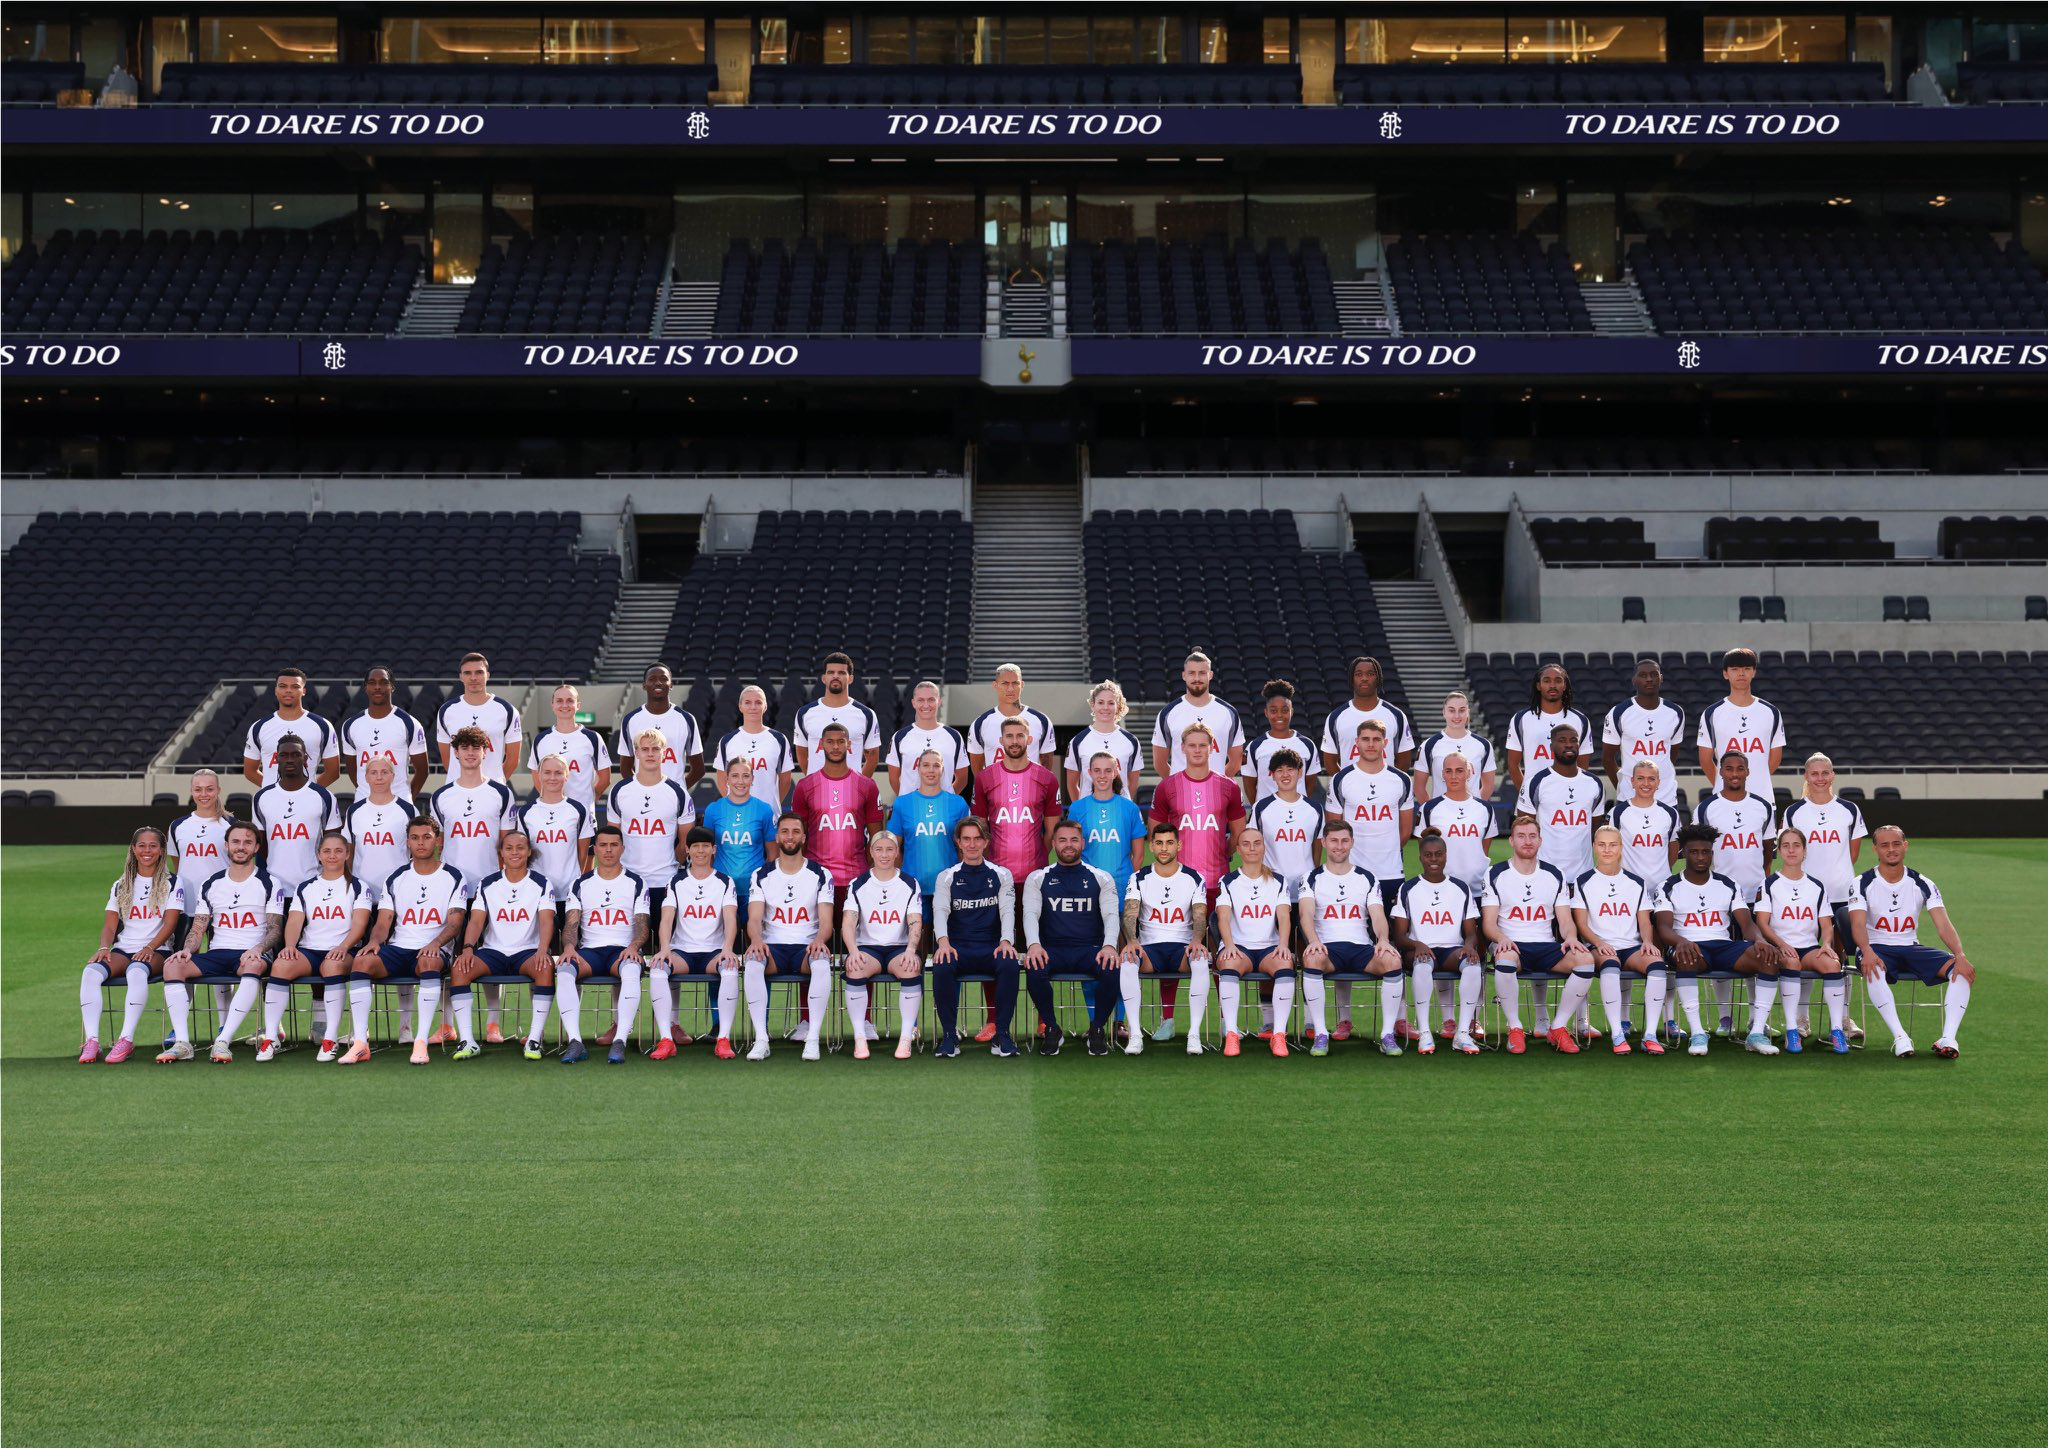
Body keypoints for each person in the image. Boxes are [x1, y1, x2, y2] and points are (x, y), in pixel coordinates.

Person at [1147, 722, 1246, 1042]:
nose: (1198, 750)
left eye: (1204, 745)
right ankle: (1167, 1018)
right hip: (1177, 883)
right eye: (1192, 745)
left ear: (1212, 747)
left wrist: (1221, 854)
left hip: (1216, 882)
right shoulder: (1168, 787)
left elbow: (1238, 834)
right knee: (1173, 945)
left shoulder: (1228, 787)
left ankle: (1223, 1019)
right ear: (1182, 749)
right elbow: (1156, 833)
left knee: (1218, 950)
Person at [1847, 826, 1975, 1060]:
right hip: (1876, 946)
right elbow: (1857, 924)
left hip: (1910, 947)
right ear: (1875, 849)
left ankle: (1948, 1038)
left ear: (1905, 845)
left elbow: (1943, 924)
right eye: (1884, 845)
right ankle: (1900, 1037)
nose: (1891, 849)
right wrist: (1866, 951)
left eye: (1896, 844)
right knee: (1873, 966)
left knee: (1962, 970)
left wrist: (1960, 954)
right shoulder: (1861, 882)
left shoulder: (1922, 882)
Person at [158, 821, 280, 1063]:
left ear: (256, 847)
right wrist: (186, 950)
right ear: (226, 845)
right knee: (172, 965)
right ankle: (183, 1042)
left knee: (254, 966)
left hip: (250, 954)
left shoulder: (268, 882)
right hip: (217, 952)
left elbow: (275, 929)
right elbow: (199, 926)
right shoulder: (211, 883)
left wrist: (258, 948)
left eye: (247, 842)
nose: (241, 847)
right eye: (235, 841)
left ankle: (223, 1041)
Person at [349, 817, 468, 1065]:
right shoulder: (396, 877)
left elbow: (455, 922)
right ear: (408, 842)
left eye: (426, 837)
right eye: (415, 838)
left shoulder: (454, 876)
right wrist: (375, 942)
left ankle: (421, 1041)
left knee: (428, 961)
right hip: (399, 948)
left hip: (433, 951)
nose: (421, 842)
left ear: (438, 840)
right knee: (361, 962)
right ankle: (361, 1043)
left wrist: (435, 944)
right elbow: (384, 922)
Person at [1323, 719, 1414, 1040]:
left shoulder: (1401, 780)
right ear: (1356, 743)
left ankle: (1401, 1018)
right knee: (1344, 940)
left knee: (1395, 947)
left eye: (1377, 739)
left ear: (1385, 743)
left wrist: (1384, 852)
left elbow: (1405, 831)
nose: (1371, 744)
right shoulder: (1342, 779)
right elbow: (1334, 829)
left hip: (1390, 875)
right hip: (1350, 876)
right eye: (1366, 739)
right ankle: (1344, 1020)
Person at [1655, 822, 1779, 1057]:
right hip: (1690, 947)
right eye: (1694, 852)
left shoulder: (1728, 884)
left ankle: (1756, 1033)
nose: (1700, 857)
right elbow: (1663, 928)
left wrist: (1761, 940)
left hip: (1723, 946)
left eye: (1705, 852)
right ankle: (1698, 1032)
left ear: (1712, 853)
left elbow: (1747, 924)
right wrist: (1680, 941)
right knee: (1685, 956)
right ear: (1684, 853)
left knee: (1768, 957)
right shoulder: (1668, 886)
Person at [431, 725, 520, 1043]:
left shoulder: (501, 792)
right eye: (464, 747)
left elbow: (506, 843)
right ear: (455, 752)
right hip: (452, 890)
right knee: (448, 954)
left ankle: (493, 1024)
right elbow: (436, 844)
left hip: (489, 888)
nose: (470, 752)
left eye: (476, 747)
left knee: (488, 953)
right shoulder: (442, 795)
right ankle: (446, 1024)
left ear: (486, 752)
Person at [253, 734, 343, 1043]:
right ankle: (273, 1028)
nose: (289, 760)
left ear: (307, 759)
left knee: (317, 951)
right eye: (284, 755)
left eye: (296, 754)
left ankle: (319, 1024)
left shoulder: (322, 796)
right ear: (275, 759)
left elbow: (333, 842)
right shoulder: (263, 797)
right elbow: (260, 845)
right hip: (276, 892)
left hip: (313, 889)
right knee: (274, 955)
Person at [1481, 814, 1594, 1055]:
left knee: (1585, 960)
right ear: (1511, 841)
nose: (1527, 841)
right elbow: (1489, 924)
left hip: (1545, 945)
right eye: (1521, 836)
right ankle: (1515, 1027)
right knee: (1505, 957)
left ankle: (1559, 1027)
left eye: (1532, 836)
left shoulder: (1555, 874)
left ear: (1541, 841)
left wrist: (1571, 938)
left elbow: (1565, 921)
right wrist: (1502, 939)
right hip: (1512, 945)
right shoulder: (1495, 874)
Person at [1777, 752, 1869, 1038]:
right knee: (1804, 952)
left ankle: (1843, 1019)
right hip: (1805, 895)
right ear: (1806, 776)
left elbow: (1853, 852)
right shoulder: (1795, 812)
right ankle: (1801, 1019)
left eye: (1825, 773)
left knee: (1839, 957)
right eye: (1814, 773)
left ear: (1833, 775)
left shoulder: (1849, 809)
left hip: (1841, 894)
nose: (1820, 778)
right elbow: (1790, 850)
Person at [1298, 819, 1404, 1055]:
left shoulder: (1367, 877)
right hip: (1328, 949)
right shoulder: (1311, 877)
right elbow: (1305, 913)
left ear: (1352, 843)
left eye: (1345, 840)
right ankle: (1321, 1033)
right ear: (1324, 843)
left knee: (1392, 961)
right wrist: (1314, 941)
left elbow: (1377, 916)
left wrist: (1383, 940)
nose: (1339, 846)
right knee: (1312, 959)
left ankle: (1387, 1035)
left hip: (1360, 949)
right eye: (1334, 840)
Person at [77, 827, 180, 1064]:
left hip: (158, 951)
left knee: (136, 970)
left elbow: (170, 924)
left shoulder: (173, 882)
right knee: (91, 972)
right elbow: (110, 926)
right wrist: (104, 947)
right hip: (124, 949)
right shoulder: (121, 884)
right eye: (141, 846)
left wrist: (150, 947)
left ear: (162, 850)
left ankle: (126, 1039)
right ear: (133, 849)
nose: (147, 851)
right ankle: (92, 1040)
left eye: (153, 846)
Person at [1020, 820, 1123, 1057]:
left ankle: (1097, 1029)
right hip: (1052, 949)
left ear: (1083, 843)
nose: (1069, 845)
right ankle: (1053, 1029)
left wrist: (1109, 946)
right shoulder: (1037, 878)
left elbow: (1110, 915)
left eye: (1074, 840)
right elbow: (1030, 914)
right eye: (1063, 840)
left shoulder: (1101, 877)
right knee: (1034, 967)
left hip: (1090, 949)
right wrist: (1034, 945)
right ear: (1054, 843)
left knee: (1111, 968)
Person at [450, 829, 555, 1062]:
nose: (515, 852)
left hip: (527, 952)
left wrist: (542, 949)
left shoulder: (541, 883)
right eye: (509, 848)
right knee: (459, 968)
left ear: (528, 852)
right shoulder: (488, 883)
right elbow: (477, 920)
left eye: (520, 848)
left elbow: (547, 919)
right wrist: (467, 948)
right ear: (501, 853)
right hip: (493, 951)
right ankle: (467, 1040)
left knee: (545, 967)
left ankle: (534, 1038)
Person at [1694, 749, 1775, 1034]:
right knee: (1720, 954)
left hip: (1754, 895)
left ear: (1748, 772)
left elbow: (1767, 850)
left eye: (1740, 769)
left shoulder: (1763, 807)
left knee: (1757, 953)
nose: (1734, 774)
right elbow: (1699, 852)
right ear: (1721, 772)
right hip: (1719, 896)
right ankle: (1725, 1017)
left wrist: (1761, 878)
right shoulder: (1706, 807)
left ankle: (1756, 1018)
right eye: (1729, 769)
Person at [555, 824, 650, 1065]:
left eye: (614, 845)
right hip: (590, 952)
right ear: (594, 849)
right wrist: (568, 948)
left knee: (630, 968)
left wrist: (633, 947)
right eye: (603, 845)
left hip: (621, 951)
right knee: (565, 970)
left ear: (622, 848)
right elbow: (571, 924)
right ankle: (575, 1042)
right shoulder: (581, 883)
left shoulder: (636, 882)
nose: (608, 850)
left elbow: (642, 925)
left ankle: (619, 1041)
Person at [343, 755, 420, 1040]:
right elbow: (349, 853)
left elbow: (415, 849)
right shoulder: (355, 810)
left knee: (400, 956)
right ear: (365, 777)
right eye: (373, 772)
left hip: (398, 897)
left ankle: (405, 1024)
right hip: (364, 897)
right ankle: (358, 1029)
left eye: (384, 771)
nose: (378, 777)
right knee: (362, 959)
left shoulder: (406, 808)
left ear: (393, 775)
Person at [747, 813, 835, 1062]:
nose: (789, 836)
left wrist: (819, 941)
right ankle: (761, 1039)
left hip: (805, 947)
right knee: (753, 962)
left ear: (804, 837)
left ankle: (813, 1039)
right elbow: (754, 918)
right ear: (777, 837)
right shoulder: (761, 874)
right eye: (784, 831)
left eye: (795, 831)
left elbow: (826, 922)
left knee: (821, 962)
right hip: (772, 947)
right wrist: (756, 940)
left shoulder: (820, 874)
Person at [1753, 827, 1848, 1055]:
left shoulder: (1816, 886)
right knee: (1792, 963)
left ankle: (1836, 1030)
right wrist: (1780, 944)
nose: (1791, 850)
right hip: (1781, 949)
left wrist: (1826, 944)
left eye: (1796, 845)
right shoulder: (1768, 884)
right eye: (1785, 846)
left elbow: (1826, 925)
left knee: (1832, 964)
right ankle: (1792, 1030)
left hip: (1809, 948)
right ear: (1779, 851)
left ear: (1805, 851)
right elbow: (1762, 924)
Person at [930, 818, 1020, 1058]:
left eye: (977, 838)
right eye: (966, 839)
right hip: (958, 947)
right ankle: (949, 1036)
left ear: (986, 841)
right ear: (958, 842)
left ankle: (1002, 1034)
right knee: (941, 965)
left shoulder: (1001, 874)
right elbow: (940, 910)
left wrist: (1006, 942)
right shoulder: (946, 877)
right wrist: (943, 943)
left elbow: (1007, 910)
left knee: (1010, 964)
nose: (972, 844)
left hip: (991, 947)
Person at [1389, 831, 1484, 1055]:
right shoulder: (1408, 888)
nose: (1434, 859)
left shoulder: (1460, 888)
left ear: (1445, 856)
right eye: (1428, 855)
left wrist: (1469, 946)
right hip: (1419, 951)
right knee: (1422, 965)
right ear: (1420, 857)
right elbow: (1399, 936)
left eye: (1439, 854)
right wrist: (1417, 944)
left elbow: (1471, 932)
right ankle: (1424, 1033)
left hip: (1452, 950)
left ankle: (1462, 1033)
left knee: (1472, 967)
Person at [1571, 824, 1664, 1056]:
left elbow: (1644, 920)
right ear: (1594, 847)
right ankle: (1617, 1034)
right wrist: (1599, 942)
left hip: (1631, 947)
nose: (1607, 850)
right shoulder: (1583, 881)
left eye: (1613, 845)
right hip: (1598, 947)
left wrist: (1647, 942)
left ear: (1621, 848)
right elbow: (1581, 924)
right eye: (1601, 845)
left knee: (1657, 966)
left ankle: (1650, 1035)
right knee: (1610, 965)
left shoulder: (1636, 882)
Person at [1121, 822, 1210, 1057]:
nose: (1164, 848)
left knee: (1201, 960)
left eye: (1170, 843)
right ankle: (1136, 1035)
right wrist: (1131, 941)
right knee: (1128, 962)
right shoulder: (1138, 877)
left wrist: (1197, 939)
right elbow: (1130, 912)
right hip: (1150, 949)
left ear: (1178, 845)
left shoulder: (1193, 877)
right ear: (1151, 846)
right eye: (1159, 843)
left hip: (1182, 948)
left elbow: (1200, 913)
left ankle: (1194, 1033)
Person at [971, 716, 1061, 947]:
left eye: (1020, 735)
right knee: (995, 947)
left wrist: (1037, 856)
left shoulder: (1047, 779)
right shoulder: (984, 778)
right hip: (995, 878)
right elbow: (979, 829)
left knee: (1032, 944)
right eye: (1009, 736)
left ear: (1029, 739)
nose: (1014, 741)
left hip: (1034, 877)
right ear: (1001, 740)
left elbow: (1052, 832)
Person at [281, 831, 370, 1062]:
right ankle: (270, 1037)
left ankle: (330, 1038)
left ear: (347, 854)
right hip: (310, 950)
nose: (332, 856)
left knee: (332, 966)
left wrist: (343, 946)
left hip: (345, 949)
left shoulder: (358, 887)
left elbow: (359, 925)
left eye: (339, 850)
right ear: (319, 855)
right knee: (281, 965)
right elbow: (294, 921)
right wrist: (290, 945)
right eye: (327, 851)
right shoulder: (306, 887)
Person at [658, 826, 743, 1059]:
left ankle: (723, 1039)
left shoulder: (725, 882)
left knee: (729, 967)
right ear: (687, 850)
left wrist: (727, 948)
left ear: (714, 849)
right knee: (658, 968)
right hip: (682, 952)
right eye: (695, 846)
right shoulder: (676, 881)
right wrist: (664, 948)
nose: (701, 851)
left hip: (713, 953)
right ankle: (666, 1039)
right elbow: (666, 919)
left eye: (706, 846)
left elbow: (730, 918)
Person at [840, 831, 924, 1061]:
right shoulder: (858, 883)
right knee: (854, 967)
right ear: (871, 852)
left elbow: (915, 920)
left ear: (897, 852)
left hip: (899, 947)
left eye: (890, 849)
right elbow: (848, 922)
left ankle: (905, 1038)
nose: (884, 855)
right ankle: (859, 1038)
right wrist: (853, 951)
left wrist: (910, 949)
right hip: (869, 948)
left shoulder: (909, 883)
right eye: (879, 849)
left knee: (910, 967)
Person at [1212, 827, 1294, 1059]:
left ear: (1264, 847)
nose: (1252, 848)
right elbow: (1223, 916)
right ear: (1238, 850)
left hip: (1269, 947)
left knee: (1285, 965)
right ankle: (1231, 1034)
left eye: (1257, 843)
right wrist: (1228, 945)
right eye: (1246, 844)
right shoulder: (1228, 881)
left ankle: (1278, 1034)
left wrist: (1284, 945)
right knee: (1228, 964)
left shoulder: (1278, 880)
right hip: (1240, 947)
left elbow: (1284, 916)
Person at [886, 749, 970, 939]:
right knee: (917, 944)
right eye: (926, 765)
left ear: (943, 770)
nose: (930, 770)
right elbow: (893, 848)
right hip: (914, 887)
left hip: (949, 887)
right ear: (918, 768)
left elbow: (966, 847)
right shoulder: (902, 804)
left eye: (936, 765)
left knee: (948, 942)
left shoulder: (958, 803)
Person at [1517, 722, 1605, 893]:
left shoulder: (1594, 783)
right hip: (1545, 876)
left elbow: (1596, 831)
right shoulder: (1536, 783)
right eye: (1562, 740)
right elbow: (1523, 829)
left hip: (1584, 877)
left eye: (1573, 740)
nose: (1569, 744)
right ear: (1551, 746)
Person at [1696, 647, 1785, 798]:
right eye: (1735, 669)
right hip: (1723, 798)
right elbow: (1705, 760)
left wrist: (1756, 782)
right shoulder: (1712, 713)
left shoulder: (1771, 712)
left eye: (1746, 668)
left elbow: (1775, 758)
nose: (1741, 673)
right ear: (1725, 673)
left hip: (1763, 796)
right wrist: (1724, 784)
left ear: (1754, 672)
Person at [518, 755, 594, 928]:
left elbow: (582, 854)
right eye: (547, 773)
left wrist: (572, 880)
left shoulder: (578, 810)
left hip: (569, 892)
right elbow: (522, 853)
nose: (552, 778)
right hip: (536, 892)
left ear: (566, 776)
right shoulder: (526, 812)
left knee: (569, 947)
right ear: (539, 775)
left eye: (558, 773)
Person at [1600, 658, 1684, 806]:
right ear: (1634, 680)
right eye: (1643, 675)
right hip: (1629, 797)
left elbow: (1671, 755)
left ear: (1661, 678)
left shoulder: (1676, 712)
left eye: (1654, 674)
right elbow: (1607, 759)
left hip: (1666, 798)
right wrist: (1623, 787)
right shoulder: (1619, 713)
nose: (1649, 679)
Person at [339, 665, 429, 799]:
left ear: (392, 686)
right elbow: (353, 772)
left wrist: (407, 798)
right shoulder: (350, 725)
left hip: (399, 803)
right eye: (372, 683)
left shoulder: (409, 724)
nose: (377, 687)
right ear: (365, 687)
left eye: (384, 682)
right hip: (363, 804)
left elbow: (423, 771)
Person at [1153, 651, 1245, 780]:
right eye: (1191, 673)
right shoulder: (1168, 713)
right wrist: (1178, 784)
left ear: (1210, 675)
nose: (1197, 678)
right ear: (1184, 675)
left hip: (1216, 795)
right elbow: (1159, 763)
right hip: (1181, 795)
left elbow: (1236, 762)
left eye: (1202, 673)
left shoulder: (1228, 712)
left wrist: (1218, 782)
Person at [243, 667, 341, 789]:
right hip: (271, 802)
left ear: (303, 691)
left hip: (308, 801)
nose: (288, 690)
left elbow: (333, 772)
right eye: (283, 686)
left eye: (295, 687)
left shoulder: (323, 726)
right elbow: (249, 771)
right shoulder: (259, 727)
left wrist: (310, 790)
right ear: (275, 690)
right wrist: (272, 790)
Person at [1319, 655, 1415, 775]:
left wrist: (1389, 783)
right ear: (1351, 679)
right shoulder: (1335, 717)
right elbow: (1330, 762)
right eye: (1358, 674)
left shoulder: (1397, 716)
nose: (1364, 678)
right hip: (1349, 792)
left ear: (1378, 678)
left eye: (1370, 674)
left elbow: (1405, 761)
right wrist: (1345, 784)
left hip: (1386, 791)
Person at [436, 652, 522, 784]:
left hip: (493, 791)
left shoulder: (507, 710)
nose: (473, 678)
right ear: (460, 677)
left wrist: (494, 784)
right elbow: (447, 759)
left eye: (479, 672)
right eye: (467, 673)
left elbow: (513, 759)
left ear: (487, 675)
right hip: (456, 790)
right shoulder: (446, 710)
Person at [1504, 663, 1592, 793]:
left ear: (1565, 685)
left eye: (1558, 680)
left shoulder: (1580, 720)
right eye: (1547, 681)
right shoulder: (1521, 719)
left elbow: (1583, 766)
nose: (1552, 685)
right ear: (1538, 686)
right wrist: (1527, 795)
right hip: (1533, 799)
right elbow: (1512, 765)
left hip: (1567, 796)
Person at [1417, 752, 1496, 896]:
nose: (1453, 776)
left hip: (1478, 891)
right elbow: (1425, 851)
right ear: (1442, 774)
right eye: (1449, 771)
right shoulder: (1428, 809)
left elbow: (1484, 849)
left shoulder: (1485, 808)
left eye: (1459, 771)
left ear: (1468, 773)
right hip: (1443, 890)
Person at [526, 683, 611, 814]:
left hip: (584, 815)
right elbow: (536, 776)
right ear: (552, 705)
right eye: (559, 701)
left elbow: (605, 779)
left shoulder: (593, 738)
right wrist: (551, 799)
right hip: (552, 812)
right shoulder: (541, 739)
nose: (564, 705)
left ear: (578, 705)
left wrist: (589, 798)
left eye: (570, 701)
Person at [793, 652, 881, 777]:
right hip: (817, 791)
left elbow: (872, 755)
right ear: (824, 678)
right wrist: (812, 780)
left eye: (841, 673)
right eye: (831, 672)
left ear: (850, 678)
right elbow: (801, 751)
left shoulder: (866, 714)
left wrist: (859, 784)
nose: (835, 676)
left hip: (851, 792)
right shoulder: (805, 713)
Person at [618, 664, 704, 789]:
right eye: (652, 679)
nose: (658, 683)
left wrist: (678, 789)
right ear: (644, 685)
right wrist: (639, 789)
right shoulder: (630, 720)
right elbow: (625, 768)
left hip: (675, 799)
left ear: (671, 684)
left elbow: (699, 770)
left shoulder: (686, 719)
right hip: (642, 795)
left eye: (663, 679)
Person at [1249, 750, 1322, 899]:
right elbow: (1252, 845)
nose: (1285, 774)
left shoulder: (1314, 809)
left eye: (1290, 769)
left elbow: (1317, 846)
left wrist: (1311, 873)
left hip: (1306, 889)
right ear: (1272, 775)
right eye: (1279, 770)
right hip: (1271, 888)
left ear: (1300, 772)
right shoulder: (1261, 807)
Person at [710, 684, 795, 807]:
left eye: (758, 702)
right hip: (737, 815)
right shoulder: (727, 741)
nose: (753, 707)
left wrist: (770, 806)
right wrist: (737, 805)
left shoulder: (779, 739)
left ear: (765, 706)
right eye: (748, 702)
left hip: (770, 817)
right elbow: (722, 780)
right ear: (740, 706)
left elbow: (786, 781)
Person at [1241, 679, 1321, 805]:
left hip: (1299, 815)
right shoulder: (1255, 747)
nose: (1279, 715)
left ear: (1292, 712)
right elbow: (1249, 785)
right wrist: (1262, 808)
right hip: (1266, 818)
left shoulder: (1307, 745)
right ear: (1266, 713)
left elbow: (1309, 784)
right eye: (1273, 711)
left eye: (1284, 710)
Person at [1062, 680, 1143, 803]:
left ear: (1118, 706)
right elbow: (1072, 784)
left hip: (1120, 812)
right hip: (1089, 813)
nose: (1105, 707)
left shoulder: (1131, 741)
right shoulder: (1078, 741)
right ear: (1093, 705)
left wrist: (1121, 804)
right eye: (1100, 702)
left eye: (1111, 703)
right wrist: (1082, 808)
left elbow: (1132, 783)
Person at [884, 680, 969, 797]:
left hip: (944, 810)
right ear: (913, 703)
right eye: (920, 700)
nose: (926, 705)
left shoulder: (954, 736)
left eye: (931, 700)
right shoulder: (900, 737)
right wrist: (909, 800)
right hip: (911, 810)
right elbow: (893, 779)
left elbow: (963, 778)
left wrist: (946, 798)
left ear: (939, 701)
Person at [967, 662, 1055, 774]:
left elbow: (1046, 764)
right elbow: (977, 769)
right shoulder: (980, 723)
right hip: (996, 789)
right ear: (995, 685)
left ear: (1022, 685)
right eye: (1004, 683)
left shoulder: (1041, 720)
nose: (1010, 689)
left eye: (1015, 683)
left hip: (1030, 789)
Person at [1608, 760, 1682, 888]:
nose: (1646, 784)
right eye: (1640, 778)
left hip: (1662, 887)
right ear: (1632, 781)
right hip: (1629, 888)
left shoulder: (1670, 813)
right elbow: (1610, 851)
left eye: (1651, 779)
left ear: (1658, 782)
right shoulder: (1618, 812)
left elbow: (1673, 851)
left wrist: (1661, 873)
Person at [1412, 692, 1496, 803]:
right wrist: (1432, 811)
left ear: (1468, 712)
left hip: (1472, 817)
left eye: (1462, 710)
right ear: (1444, 712)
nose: (1457, 716)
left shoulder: (1483, 745)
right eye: (1451, 710)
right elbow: (1419, 788)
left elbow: (1489, 786)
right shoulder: (1429, 745)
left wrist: (1474, 807)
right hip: (1440, 817)